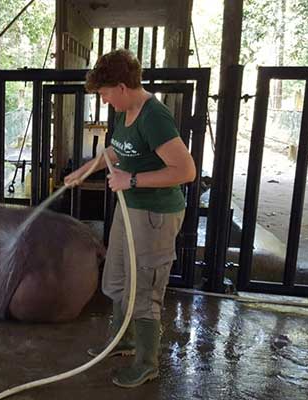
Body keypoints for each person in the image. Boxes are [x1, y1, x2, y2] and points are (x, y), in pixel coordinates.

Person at [64, 49, 196, 388]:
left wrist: (132, 180)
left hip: (155, 214)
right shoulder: (125, 113)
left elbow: (185, 170)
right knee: (119, 276)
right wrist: (84, 169)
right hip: (130, 208)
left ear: (122, 87)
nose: (105, 101)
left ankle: (147, 361)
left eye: (106, 94)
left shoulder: (154, 116)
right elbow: (117, 150)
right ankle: (123, 340)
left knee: (145, 289)